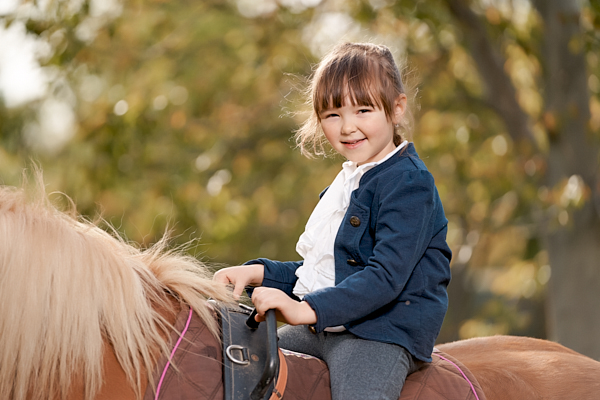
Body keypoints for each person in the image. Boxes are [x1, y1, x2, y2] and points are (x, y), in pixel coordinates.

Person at [214, 42, 452, 400]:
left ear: (397, 108)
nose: (347, 127)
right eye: (333, 115)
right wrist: (258, 273)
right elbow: (326, 271)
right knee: (240, 364)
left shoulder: (408, 184)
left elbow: (384, 277)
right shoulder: (346, 183)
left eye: (363, 110)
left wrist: (304, 309)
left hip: (380, 332)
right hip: (325, 327)